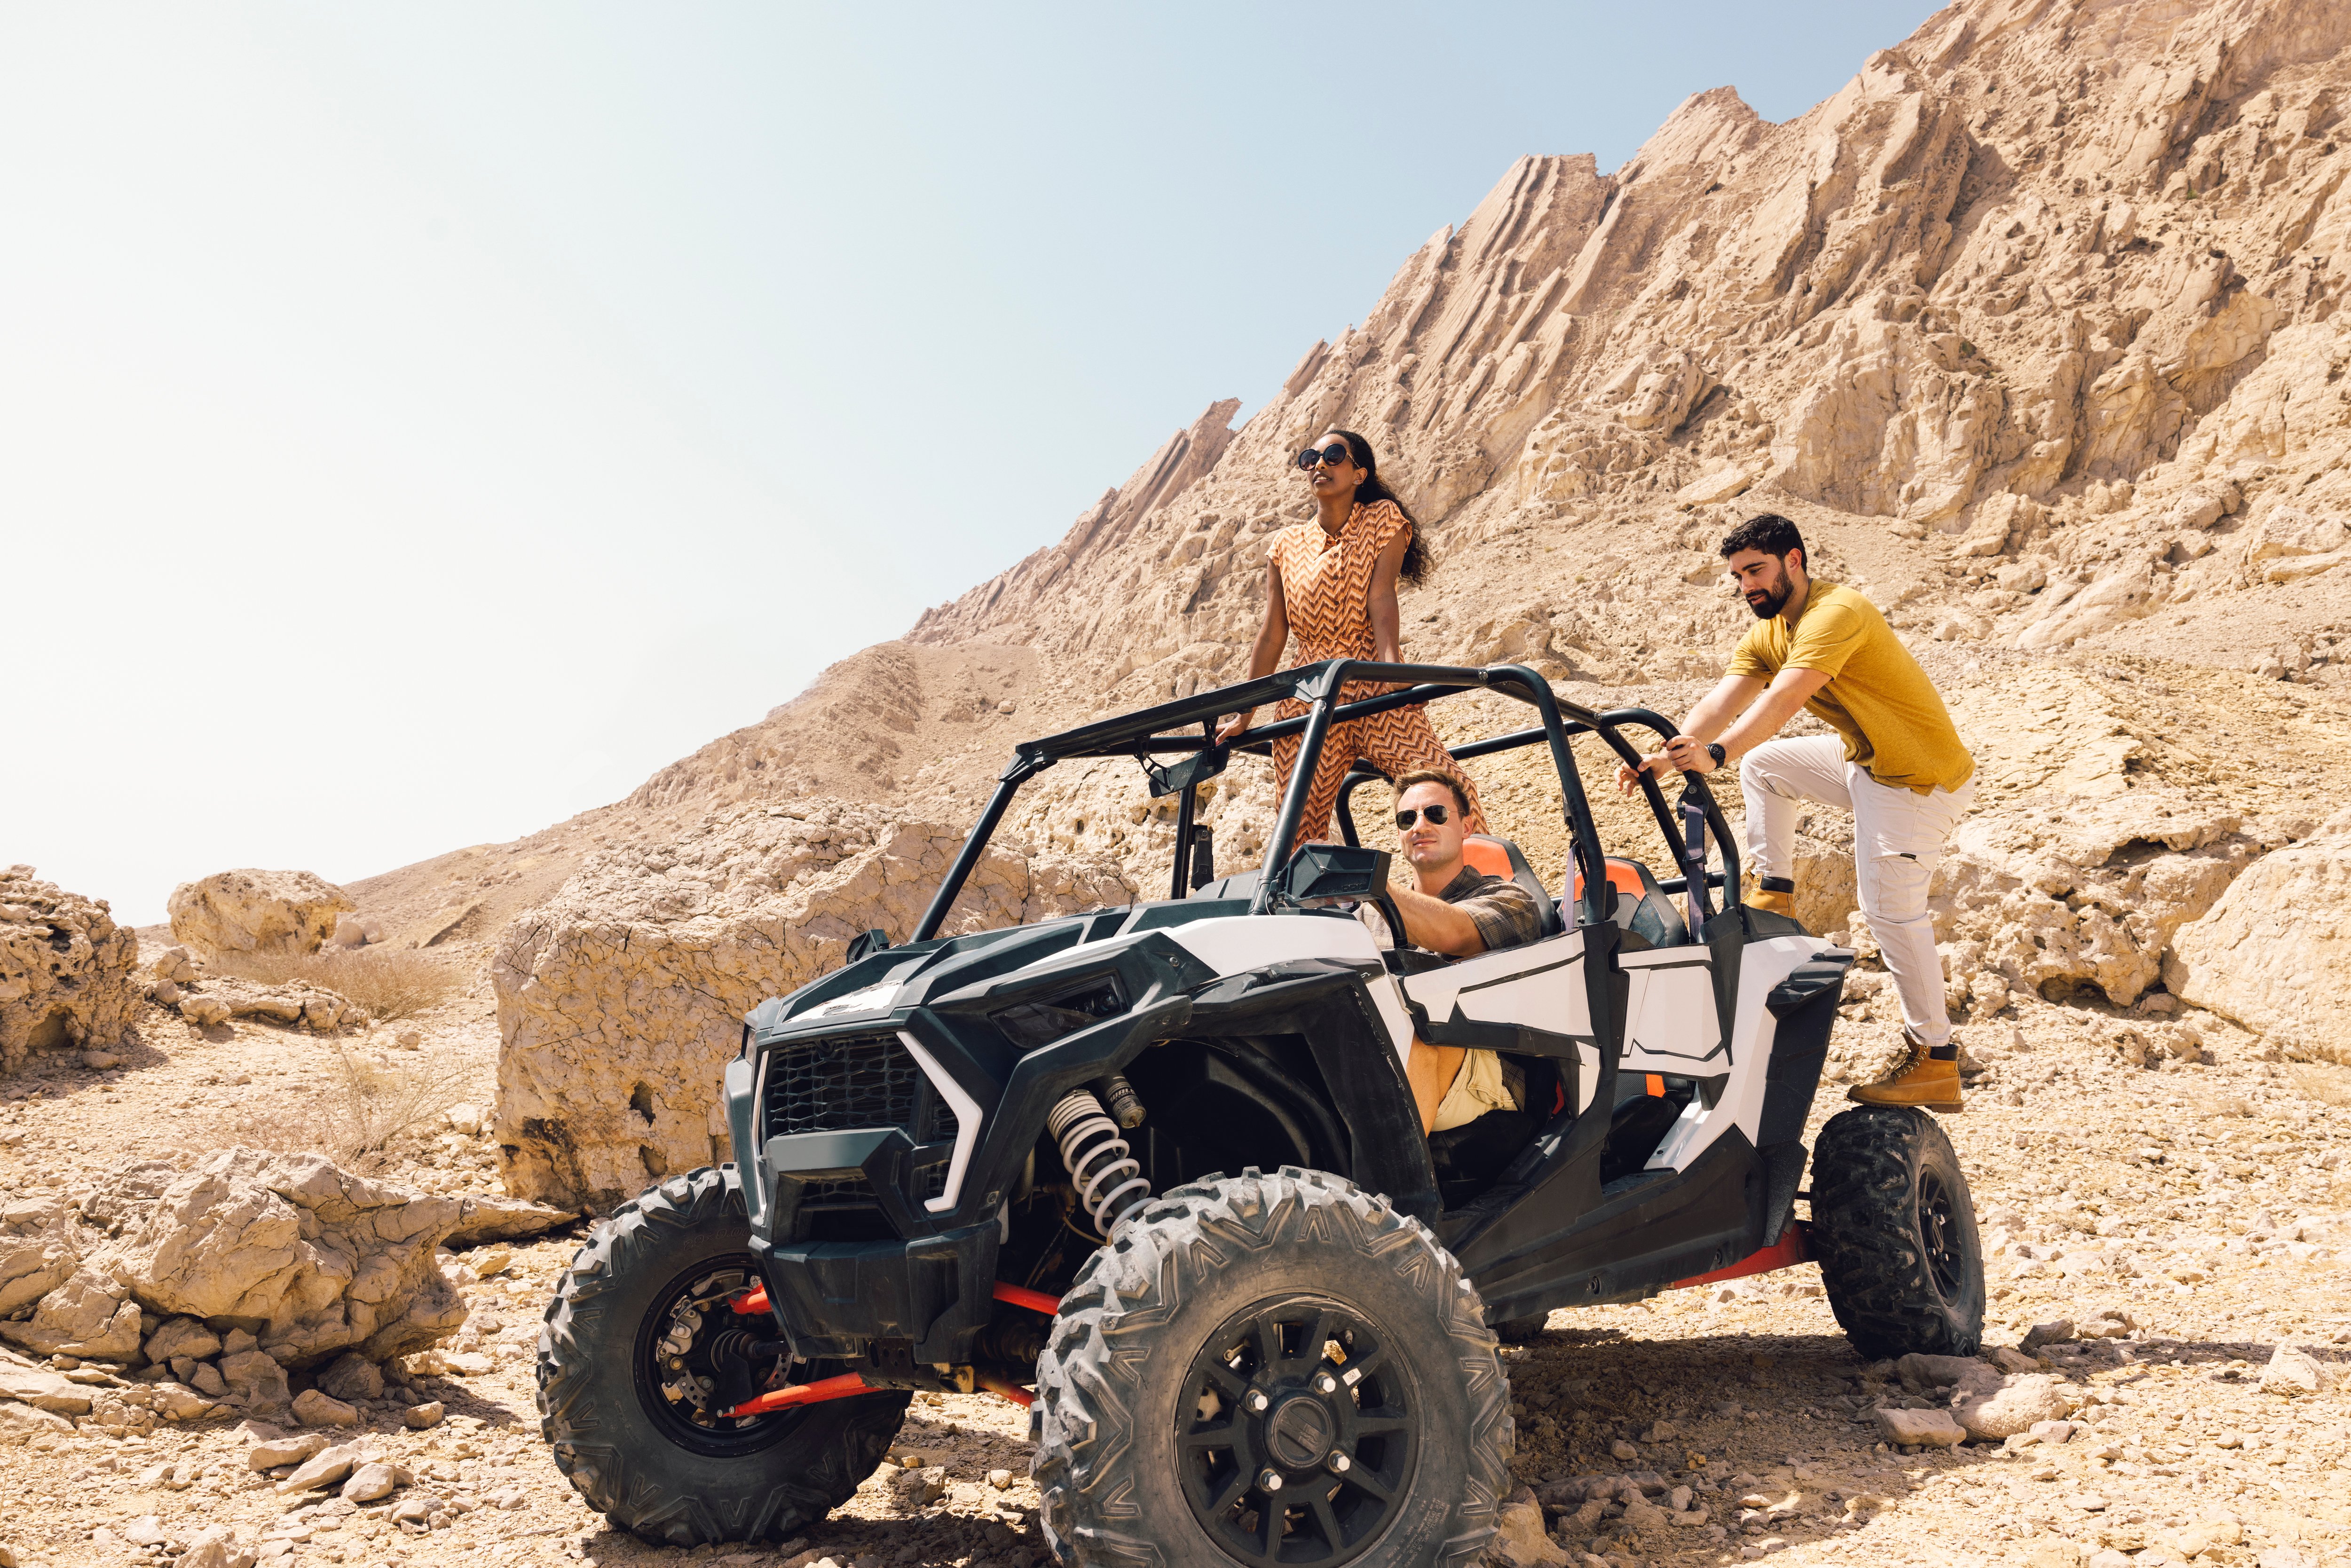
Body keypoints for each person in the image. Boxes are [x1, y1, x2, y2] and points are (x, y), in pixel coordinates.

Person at [1618, 513, 1976, 1112]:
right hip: (1864, 762)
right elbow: (1723, 699)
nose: (1746, 586)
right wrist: (1662, 756)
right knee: (1766, 767)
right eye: (1736, 577)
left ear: (1793, 560)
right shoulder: (1771, 631)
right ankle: (1775, 889)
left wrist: (1717, 753)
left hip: (1916, 781)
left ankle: (1935, 1058)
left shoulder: (1836, 613)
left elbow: (1784, 698)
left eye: (1755, 570)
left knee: (1889, 913)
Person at [1215, 429, 1487, 841]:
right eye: (1310, 459)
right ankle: (1304, 903)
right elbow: (1273, 633)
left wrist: (1394, 672)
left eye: (1334, 456)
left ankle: (1482, 890)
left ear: (1360, 474)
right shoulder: (1284, 546)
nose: (1319, 465)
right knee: (1297, 825)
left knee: (1450, 790)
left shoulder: (1382, 520)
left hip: (1372, 681)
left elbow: (1381, 598)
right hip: (1307, 692)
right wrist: (1246, 713)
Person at [1380, 771, 1545, 1135]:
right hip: (1386, 1048)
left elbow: (1453, 932)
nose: (1420, 825)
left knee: (1418, 1033)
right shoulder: (1368, 915)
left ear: (1467, 826)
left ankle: (1402, 1191)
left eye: (1436, 813)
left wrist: (1369, 883)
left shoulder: (1510, 901)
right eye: (1407, 819)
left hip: (1486, 1062)